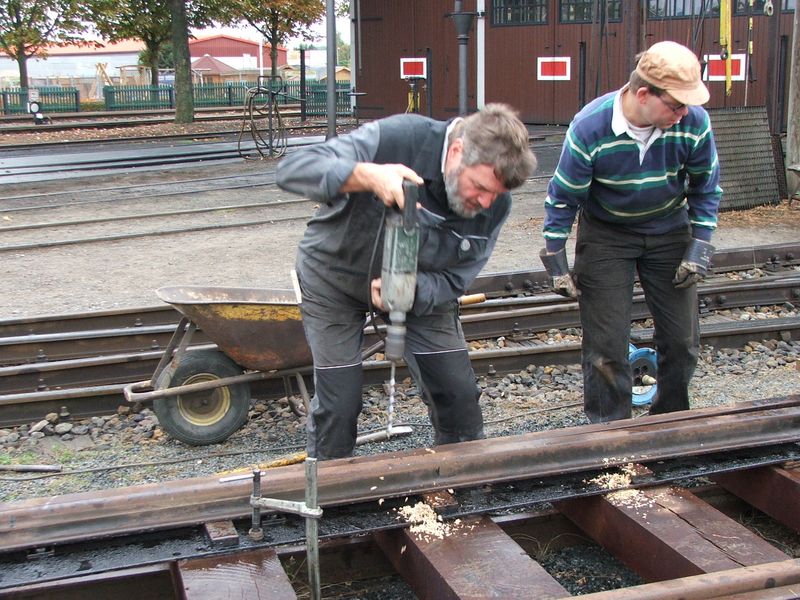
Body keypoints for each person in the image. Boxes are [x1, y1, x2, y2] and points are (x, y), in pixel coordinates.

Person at [276, 103, 536, 460]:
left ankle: (465, 492)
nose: (486, 201)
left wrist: (414, 292)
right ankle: (329, 499)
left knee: (457, 395)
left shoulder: (494, 205)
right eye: (479, 186)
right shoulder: (399, 137)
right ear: (457, 151)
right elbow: (292, 169)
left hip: (417, 292)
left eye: (496, 194)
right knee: (340, 403)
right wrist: (366, 175)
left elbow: (457, 277)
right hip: (333, 277)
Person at [540, 41, 722, 423]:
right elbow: (563, 196)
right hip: (607, 234)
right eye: (675, 104)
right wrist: (556, 258)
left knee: (682, 342)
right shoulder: (590, 127)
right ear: (643, 94)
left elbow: (706, 187)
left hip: (669, 229)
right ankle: (610, 434)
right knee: (606, 347)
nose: (684, 112)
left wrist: (699, 245)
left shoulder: (694, 123)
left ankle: (670, 422)